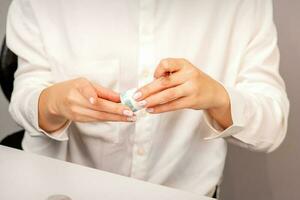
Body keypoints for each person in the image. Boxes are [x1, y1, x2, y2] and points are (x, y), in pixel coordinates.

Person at [6, 0, 289, 198]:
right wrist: (52, 103)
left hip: (184, 190)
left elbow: (272, 129)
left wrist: (218, 98)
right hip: (66, 190)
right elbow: (24, 95)